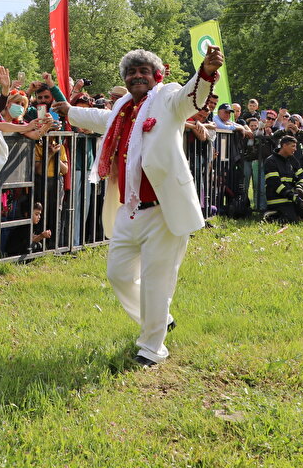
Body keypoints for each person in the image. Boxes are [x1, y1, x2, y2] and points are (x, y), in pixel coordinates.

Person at [53, 46, 223, 368]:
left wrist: (205, 73)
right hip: (128, 209)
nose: (137, 76)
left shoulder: (167, 97)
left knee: (157, 282)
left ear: (156, 75)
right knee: (118, 274)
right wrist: (70, 111)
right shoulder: (121, 107)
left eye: (144, 71)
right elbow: (101, 119)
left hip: (163, 209)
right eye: (131, 73)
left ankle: (151, 348)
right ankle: (161, 318)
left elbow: (191, 97)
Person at [263, 135, 303, 222]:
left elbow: (302, 176)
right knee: (292, 220)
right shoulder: (271, 161)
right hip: (277, 199)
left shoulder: (293, 160)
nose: (295, 149)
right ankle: (271, 216)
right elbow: (274, 184)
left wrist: (300, 187)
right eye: (293, 146)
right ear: (284, 146)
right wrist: (290, 195)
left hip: (290, 198)